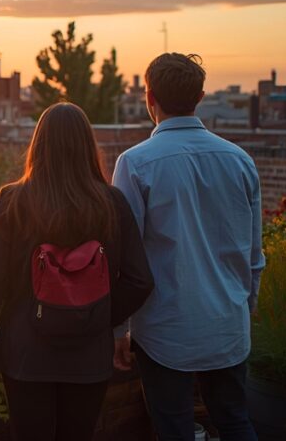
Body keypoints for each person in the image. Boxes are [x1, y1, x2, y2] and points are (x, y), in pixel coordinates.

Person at [0, 102, 154, 441]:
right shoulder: (112, 202)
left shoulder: (12, 200)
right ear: (87, 146)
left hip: (25, 355)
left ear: (38, 145)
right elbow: (140, 280)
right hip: (88, 357)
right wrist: (97, 314)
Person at [112, 53, 264, 440]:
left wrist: (118, 332)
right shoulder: (240, 160)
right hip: (227, 323)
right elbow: (254, 255)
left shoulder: (135, 164)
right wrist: (245, 308)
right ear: (199, 97)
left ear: (149, 97)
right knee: (234, 421)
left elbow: (123, 259)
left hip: (165, 331)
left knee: (174, 429)